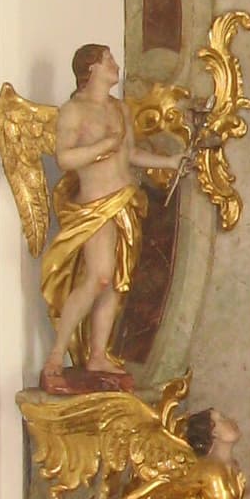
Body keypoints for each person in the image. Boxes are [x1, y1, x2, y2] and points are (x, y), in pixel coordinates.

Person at [39, 43, 183, 390]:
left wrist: (169, 162)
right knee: (99, 277)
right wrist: (102, 147)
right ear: (91, 69)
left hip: (124, 203)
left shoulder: (118, 109)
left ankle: (98, 355)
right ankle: (57, 355)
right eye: (108, 61)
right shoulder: (74, 111)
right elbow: (64, 159)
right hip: (95, 205)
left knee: (116, 283)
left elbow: (130, 153)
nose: (115, 66)